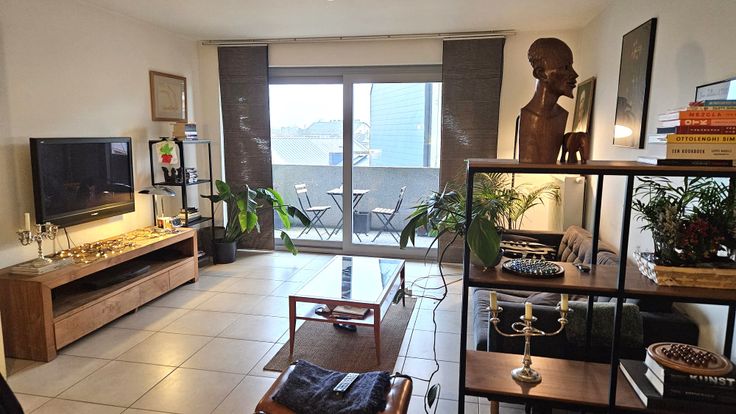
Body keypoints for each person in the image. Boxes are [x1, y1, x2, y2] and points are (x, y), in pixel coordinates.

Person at [518, 38, 578, 163]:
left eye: (571, 66)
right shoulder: (528, 115)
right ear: (541, 73)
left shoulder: (561, 115)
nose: (574, 74)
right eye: (565, 67)